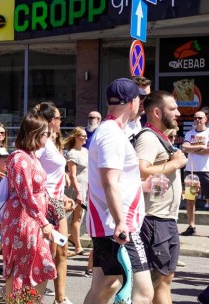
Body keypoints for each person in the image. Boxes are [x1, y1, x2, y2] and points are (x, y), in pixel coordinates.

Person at [83, 78, 153, 304]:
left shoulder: (110, 131)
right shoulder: (112, 134)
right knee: (143, 293)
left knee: (106, 285)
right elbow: (109, 182)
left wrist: (140, 186)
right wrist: (121, 221)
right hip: (119, 225)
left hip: (110, 223)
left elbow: (114, 180)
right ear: (133, 103)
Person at [135, 90, 187, 304]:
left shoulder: (160, 137)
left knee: (164, 279)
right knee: (159, 281)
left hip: (165, 219)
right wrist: (175, 163)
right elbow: (140, 170)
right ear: (157, 112)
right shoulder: (148, 138)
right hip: (155, 220)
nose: (179, 112)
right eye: (173, 108)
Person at [2, 113, 56, 297]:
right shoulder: (19, 158)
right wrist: (44, 222)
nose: (49, 137)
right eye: (46, 134)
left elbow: (37, 191)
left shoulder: (31, 157)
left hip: (33, 220)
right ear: (34, 134)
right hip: (22, 220)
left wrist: (52, 206)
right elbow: (25, 195)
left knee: (41, 265)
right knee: (20, 267)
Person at [33, 101, 74, 304]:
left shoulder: (53, 142)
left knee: (63, 250)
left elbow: (54, 174)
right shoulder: (42, 144)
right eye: (58, 118)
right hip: (46, 203)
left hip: (57, 201)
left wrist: (64, 195)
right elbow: (32, 165)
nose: (61, 121)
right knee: (48, 252)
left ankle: (60, 297)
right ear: (50, 121)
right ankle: (37, 297)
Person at [180, 111, 209, 236]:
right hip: (191, 170)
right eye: (196, 118)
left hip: (206, 170)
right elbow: (184, 147)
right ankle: (191, 226)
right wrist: (201, 147)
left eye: (200, 118)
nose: (198, 120)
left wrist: (192, 148)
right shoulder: (189, 133)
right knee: (191, 199)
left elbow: (207, 151)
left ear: (205, 119)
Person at [63, 127, 90, 257]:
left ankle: (73, 240)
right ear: (76, 137)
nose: (85, 138)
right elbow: (72, 175)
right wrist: (78, 192)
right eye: (83, 136)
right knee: (76, 217)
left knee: (80, 216)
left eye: (86, 136)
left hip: (85, 186)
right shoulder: (72, 153)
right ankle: (78, 246)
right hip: (76, 188)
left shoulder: (85, 151)